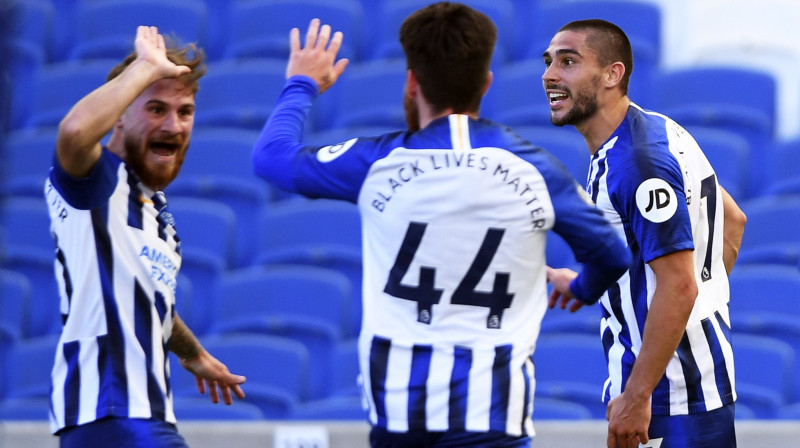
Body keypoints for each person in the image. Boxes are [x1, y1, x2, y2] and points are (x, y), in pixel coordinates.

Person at [252, 4, 631, 447]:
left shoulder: (379, 162)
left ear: (412, 82)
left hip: (399, 417)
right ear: (486, 84)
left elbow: (270, 158)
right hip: (494, 420)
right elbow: (613, 254)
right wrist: (581, 288)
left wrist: (301, 84)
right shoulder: (535, 171)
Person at [542, 19, 747, 448]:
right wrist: (582, 284)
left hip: (668, 398)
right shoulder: (658, 129)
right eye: (549, 62)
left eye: (568, 61)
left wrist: (637, 396)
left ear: (612, 75)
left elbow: (677, 284)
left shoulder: (636, 164)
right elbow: (732, 221)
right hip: (690, 385)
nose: (550, 75)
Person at [44, 26, 246, 447]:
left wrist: (194, 354)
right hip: (116, 412)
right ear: (119, 113)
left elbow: (151, 304)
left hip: (125, 420)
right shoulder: (98, 180)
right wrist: (143, 70)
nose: (174, 124)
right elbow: (74, 134)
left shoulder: (155, 213)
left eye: (185, 112)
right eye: (155, 109)